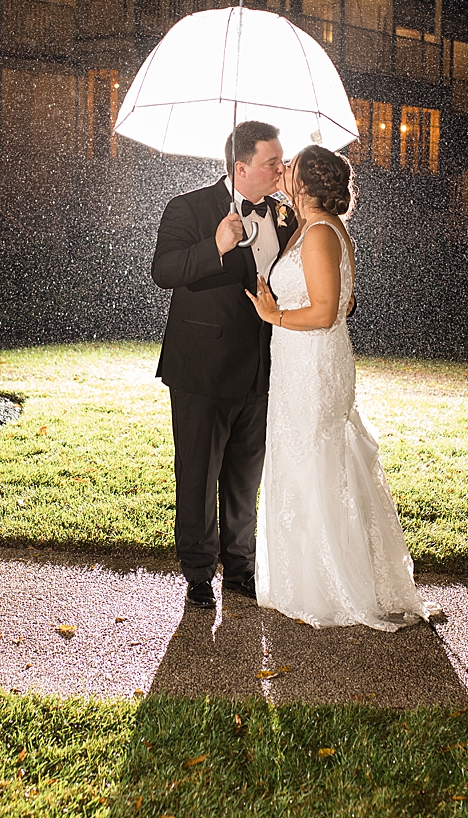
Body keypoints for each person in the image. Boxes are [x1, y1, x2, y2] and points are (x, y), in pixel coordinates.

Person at [245, 145, 432, 630]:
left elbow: (327, 311)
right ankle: (302, 579)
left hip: (314, 365)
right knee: (301, 456)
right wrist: (279, 296)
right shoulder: (309, 227)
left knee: (317, 459)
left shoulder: (322, 232)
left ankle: (331, 587)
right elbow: (339, 301)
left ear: (306, 184)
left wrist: (274, 314)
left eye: (290, 168)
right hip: (297, 360)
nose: (282, 171)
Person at [151, 120, 297, 609]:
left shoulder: (284, 215)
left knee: (244, 475)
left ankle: (240, 566)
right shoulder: (188, 207)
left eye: (281, 160)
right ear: (241, 167)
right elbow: (164, 271)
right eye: (271, 162)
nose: (281, 169)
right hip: (202, 369)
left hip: (263, 367)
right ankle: (197, 571)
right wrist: (214, 245)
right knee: (197, 472)